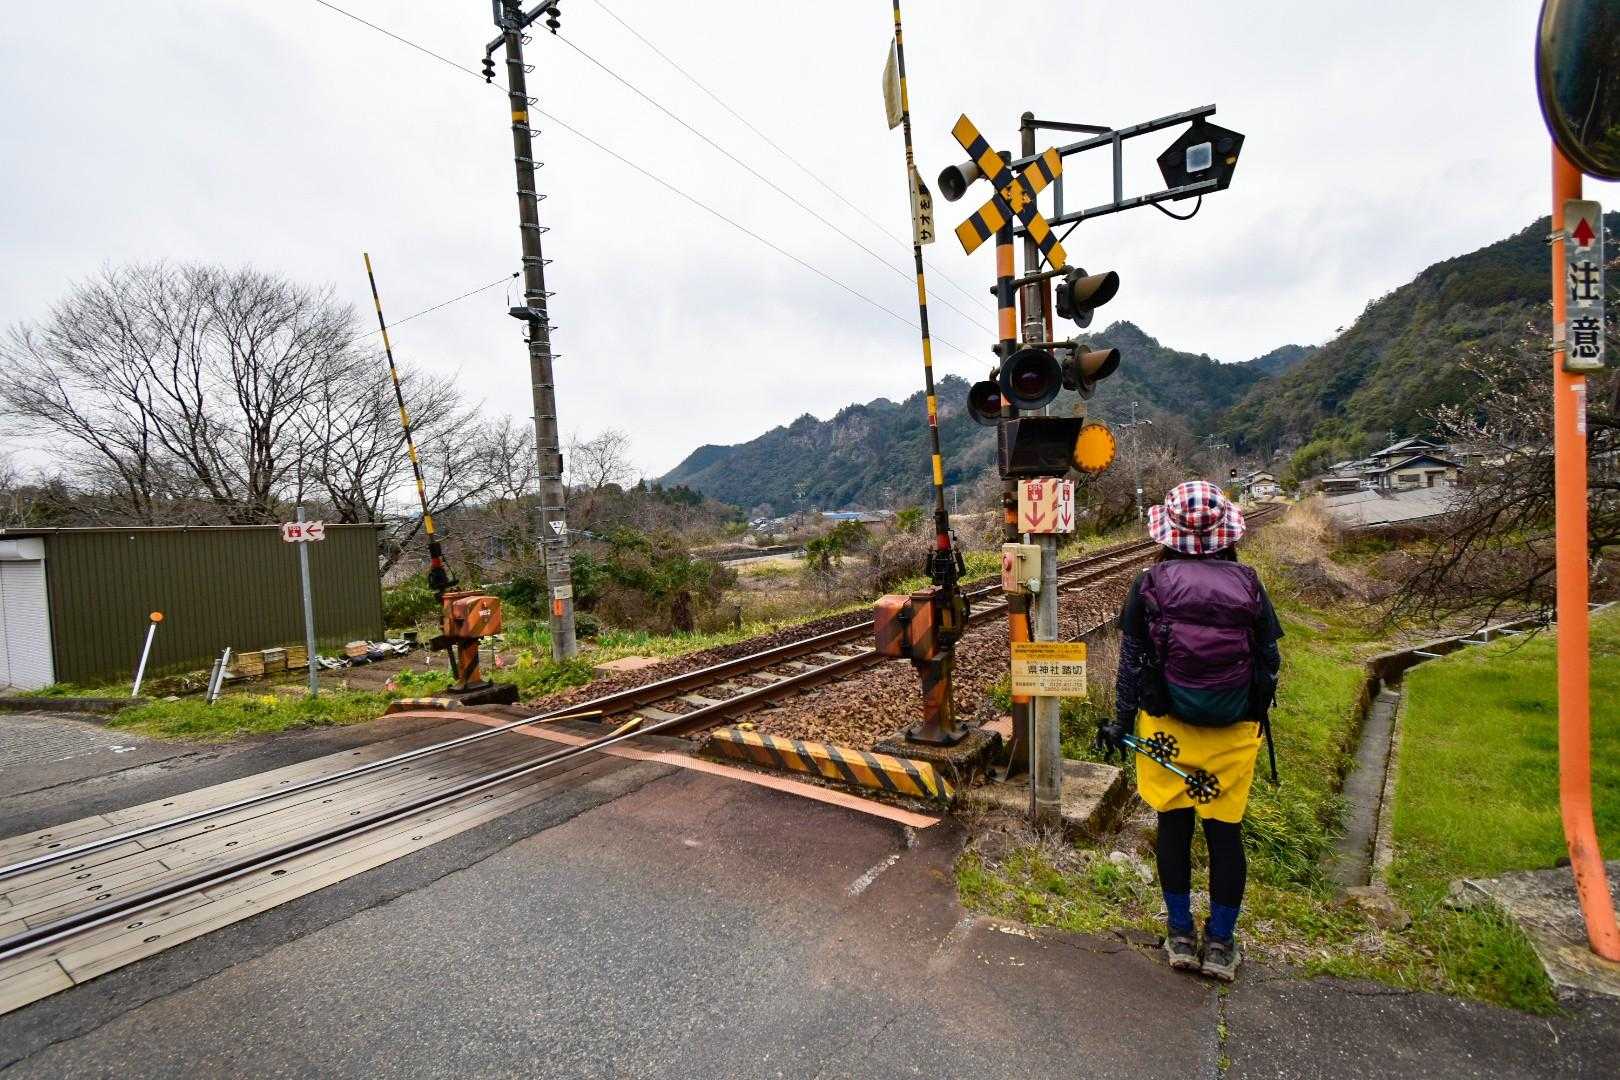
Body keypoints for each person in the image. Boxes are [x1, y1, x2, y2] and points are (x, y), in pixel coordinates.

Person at [1096, 480, 1282, 982]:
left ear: (1168, 535)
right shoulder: (1249, 583)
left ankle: (1179, 935)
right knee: (1226, 835)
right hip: (1232, 733)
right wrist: (1253, 711)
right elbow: (1270, 661)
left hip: (1166, 731)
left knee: (1173, 828)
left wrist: (1121, 720)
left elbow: (1131, 666)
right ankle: (1220, 943)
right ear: (1226, 535)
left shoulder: (1149, 583)